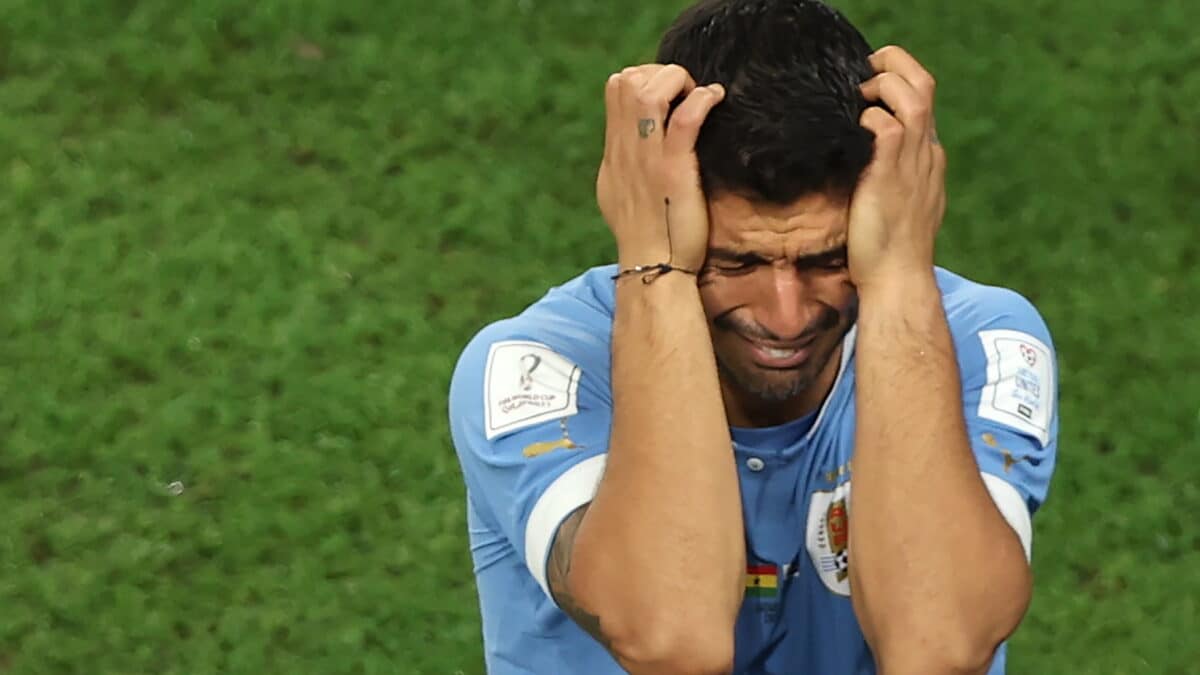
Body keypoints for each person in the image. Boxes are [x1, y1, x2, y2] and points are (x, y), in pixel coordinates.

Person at [447, 0, 1059, 673]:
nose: (785, 315)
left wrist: (900, 277)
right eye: (736, 264)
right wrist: (654, 265)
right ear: (661, 207)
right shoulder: (536, 368)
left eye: (829, 260)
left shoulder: (983, 341)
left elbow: (939, 648)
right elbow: (673, 639)